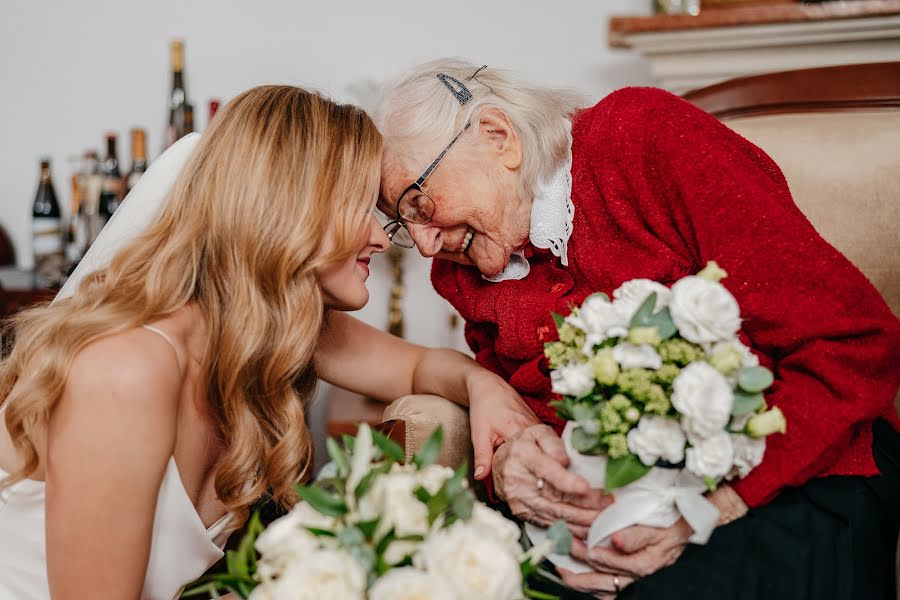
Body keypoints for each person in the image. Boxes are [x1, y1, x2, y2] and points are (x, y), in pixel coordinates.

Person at [375, 59, 900, 598]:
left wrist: (705, 513)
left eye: (420, 202)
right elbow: (516, 411)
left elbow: (855, 343)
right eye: (399, 223)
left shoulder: (640, 136)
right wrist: (509, 461)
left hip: (797, 474)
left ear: (497, 137)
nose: (423, 244)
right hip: (612, 514)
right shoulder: (462, 272)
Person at [0, 85, 537, 600]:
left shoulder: (274, 326)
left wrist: (483, 386)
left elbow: (421, 368)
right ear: (292, 209)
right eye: (359, 207)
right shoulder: (128, 370)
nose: (383, 237)